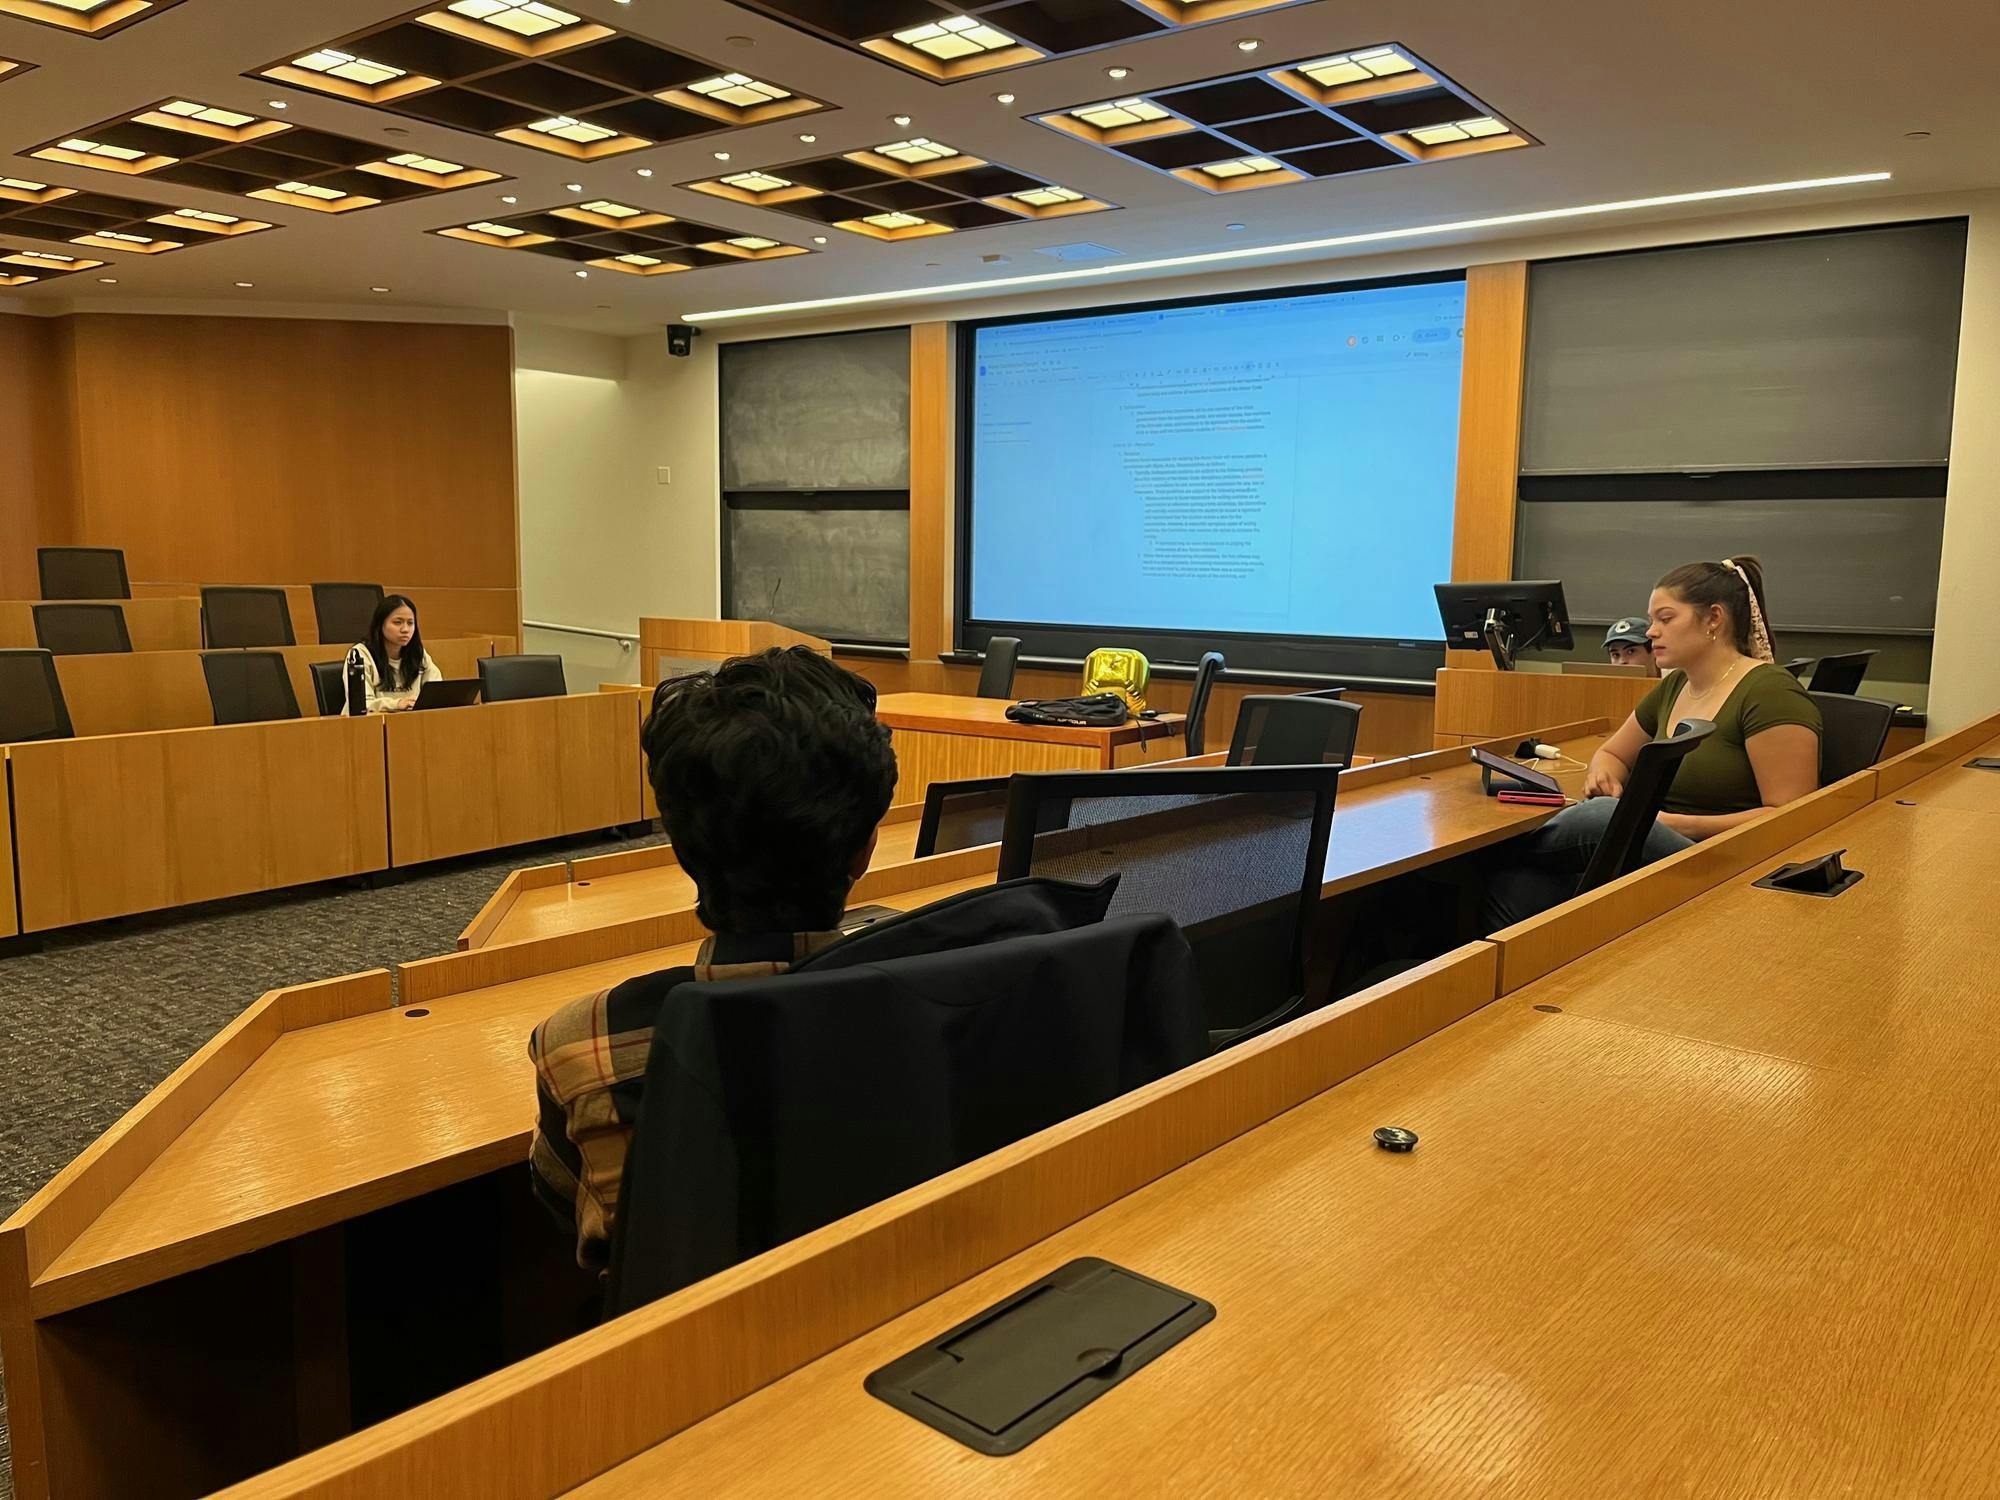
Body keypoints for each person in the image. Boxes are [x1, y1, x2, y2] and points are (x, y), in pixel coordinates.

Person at [527, 647, 898, 1272]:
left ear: (681, 848)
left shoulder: (581, 1044)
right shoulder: (944, 986)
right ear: (865, 849)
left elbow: (559, 1197)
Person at [1483, 556, 1821, 929]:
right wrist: (1604, 775)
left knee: (1603, 816)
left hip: (1723, 859)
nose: (1652, 633)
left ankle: (1486, 854)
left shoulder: (1770, 691)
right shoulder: (1676, 684)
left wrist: (1675, 824)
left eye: (1665, 619)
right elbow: (1612, 753)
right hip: (1660, 845)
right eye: (1652, 621)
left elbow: (1792, 817)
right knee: (1513, 887)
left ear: (1713, 618)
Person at [344, 594, 440, 713]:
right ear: (380, 624)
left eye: (410, 623)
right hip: (369, 722)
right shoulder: (360, 655)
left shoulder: (418, 654)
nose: (405, 629)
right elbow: (361, 704)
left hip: (410, 720)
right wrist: (397, 704)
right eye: (397, 622)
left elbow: (436, 692)